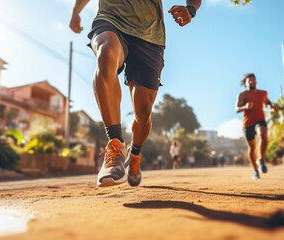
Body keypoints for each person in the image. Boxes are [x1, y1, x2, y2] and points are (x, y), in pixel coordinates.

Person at [69, 0, 201, 187]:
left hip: (150, 36)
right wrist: (76, 10)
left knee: (143, 113)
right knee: (106, 52)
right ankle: (116, 145)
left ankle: (135, 155)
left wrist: (191, 9)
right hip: (111, 19)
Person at [235, 73, 278, 180]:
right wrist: (245, 106)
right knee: (252, 148)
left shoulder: (263, 93)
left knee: (263, 134)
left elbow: (267, 102)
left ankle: (261, 159)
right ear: (245, 83)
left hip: (260, 120)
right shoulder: (242, 95)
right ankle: (255, 171)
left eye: (252, 80)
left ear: (256, 81)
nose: (251, 82)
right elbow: (236, 109)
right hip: (247, 123)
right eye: (248, 80)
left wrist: (271, 107)